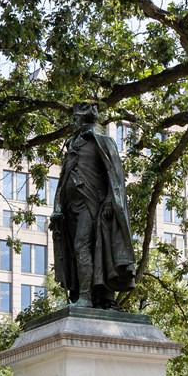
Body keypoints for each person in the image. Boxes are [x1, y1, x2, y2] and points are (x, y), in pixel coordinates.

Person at [51, 103, 135, 309]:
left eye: (80, 119)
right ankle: (81, 293)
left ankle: (86, 297)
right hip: (71, 208)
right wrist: (58, 206)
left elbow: (115, 176)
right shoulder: (73, 144)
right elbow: (63, 178)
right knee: (74, 250)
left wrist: (109, 200)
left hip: (93, 205)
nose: (77, 122)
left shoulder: (103, 141)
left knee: (82, 246)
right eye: (77, 119)